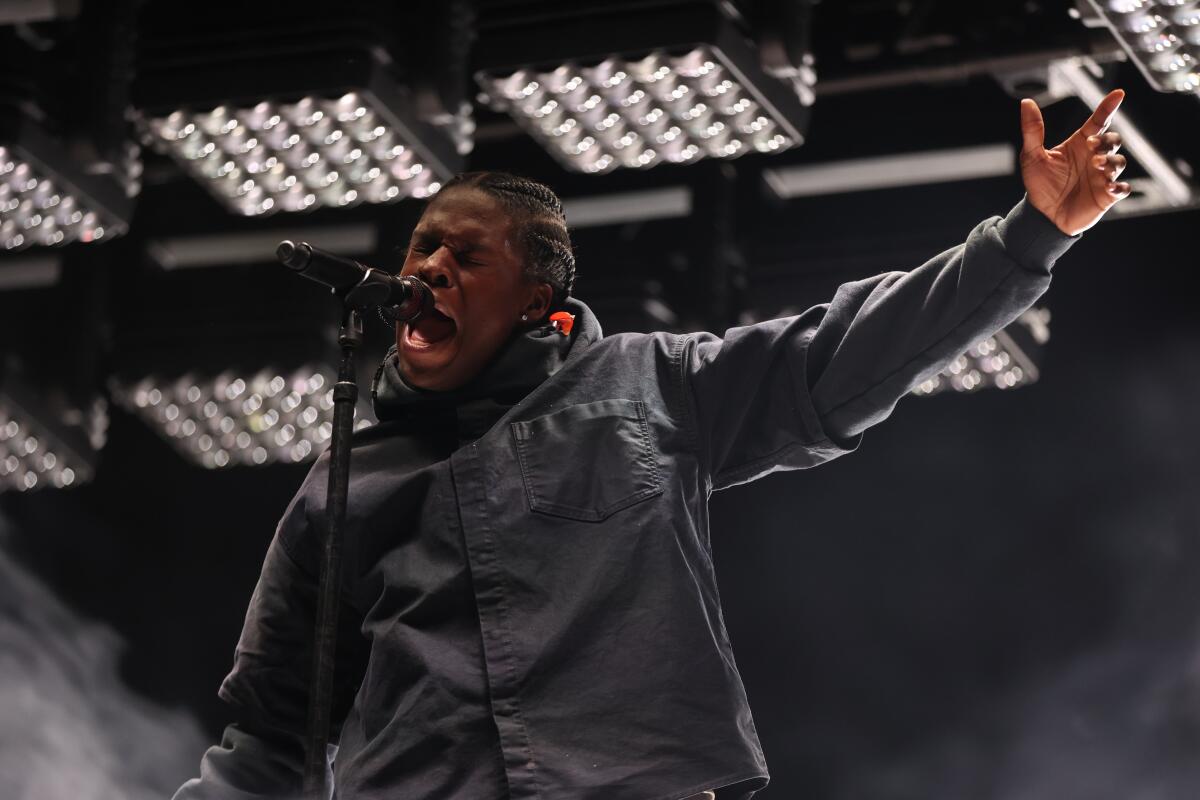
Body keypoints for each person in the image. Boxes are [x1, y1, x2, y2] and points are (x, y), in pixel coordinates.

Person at [175, 90, 1131, 800]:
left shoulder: (649, 385)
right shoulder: (344, 481)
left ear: (537, 307)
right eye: (423, 246)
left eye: (467, 257)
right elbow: (271, 735)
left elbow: (843, 355)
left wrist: (1028, 238)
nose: (427, 269)